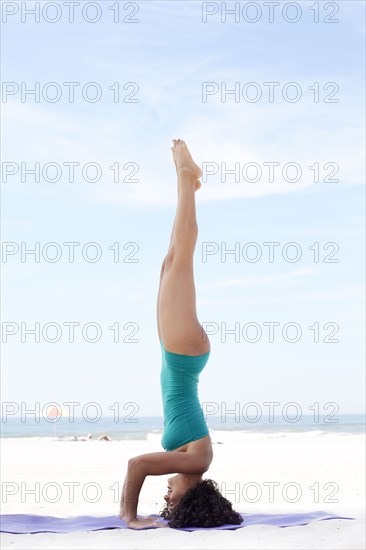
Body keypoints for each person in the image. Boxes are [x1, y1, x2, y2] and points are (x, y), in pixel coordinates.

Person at [119, 139, 243, 530]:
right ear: (192, 493)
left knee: (169, 262)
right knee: (181, 261)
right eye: (173, 500)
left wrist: (154, 514)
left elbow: (147, 468)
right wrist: (130, 516)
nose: (167, 496)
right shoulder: (196, 462)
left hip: (179, 354)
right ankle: (187, 179)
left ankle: (185, 179)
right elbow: (136, 466)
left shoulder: (186, 458)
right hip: (183, 355)